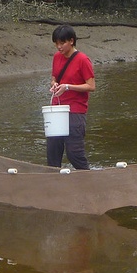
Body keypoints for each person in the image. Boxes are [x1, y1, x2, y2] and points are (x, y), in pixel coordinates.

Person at [47, 24, 95, 169]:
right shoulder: (57, 57)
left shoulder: (82, 60)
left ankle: (87, 179)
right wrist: (55, 84)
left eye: (62, 43)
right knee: (53, 151)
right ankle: (55, 182)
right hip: (57, 109)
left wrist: (68, 87)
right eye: (56, 43)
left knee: (74, 152)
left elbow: (91, 86)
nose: (59, 47)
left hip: (75, 110)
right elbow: (54, 77)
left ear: (71, 41)